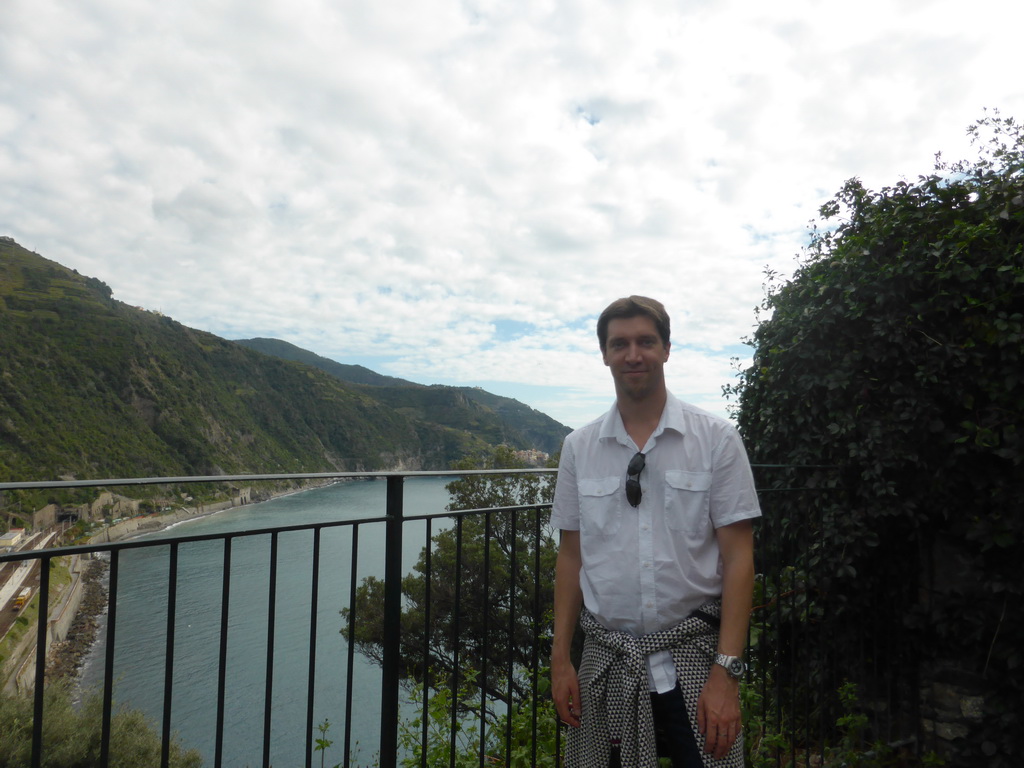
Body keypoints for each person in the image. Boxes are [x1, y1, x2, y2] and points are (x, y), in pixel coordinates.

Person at [550, 296, 760, 768]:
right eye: (619, 343)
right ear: (604, 354)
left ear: (667, 349)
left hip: (694, 659)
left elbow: (739, 558)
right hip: (605, 662)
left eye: (646, 341)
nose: (633, 354)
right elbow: (570, 557)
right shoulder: (579, 448)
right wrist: (561, 658)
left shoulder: (715, 439)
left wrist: (726, 674)